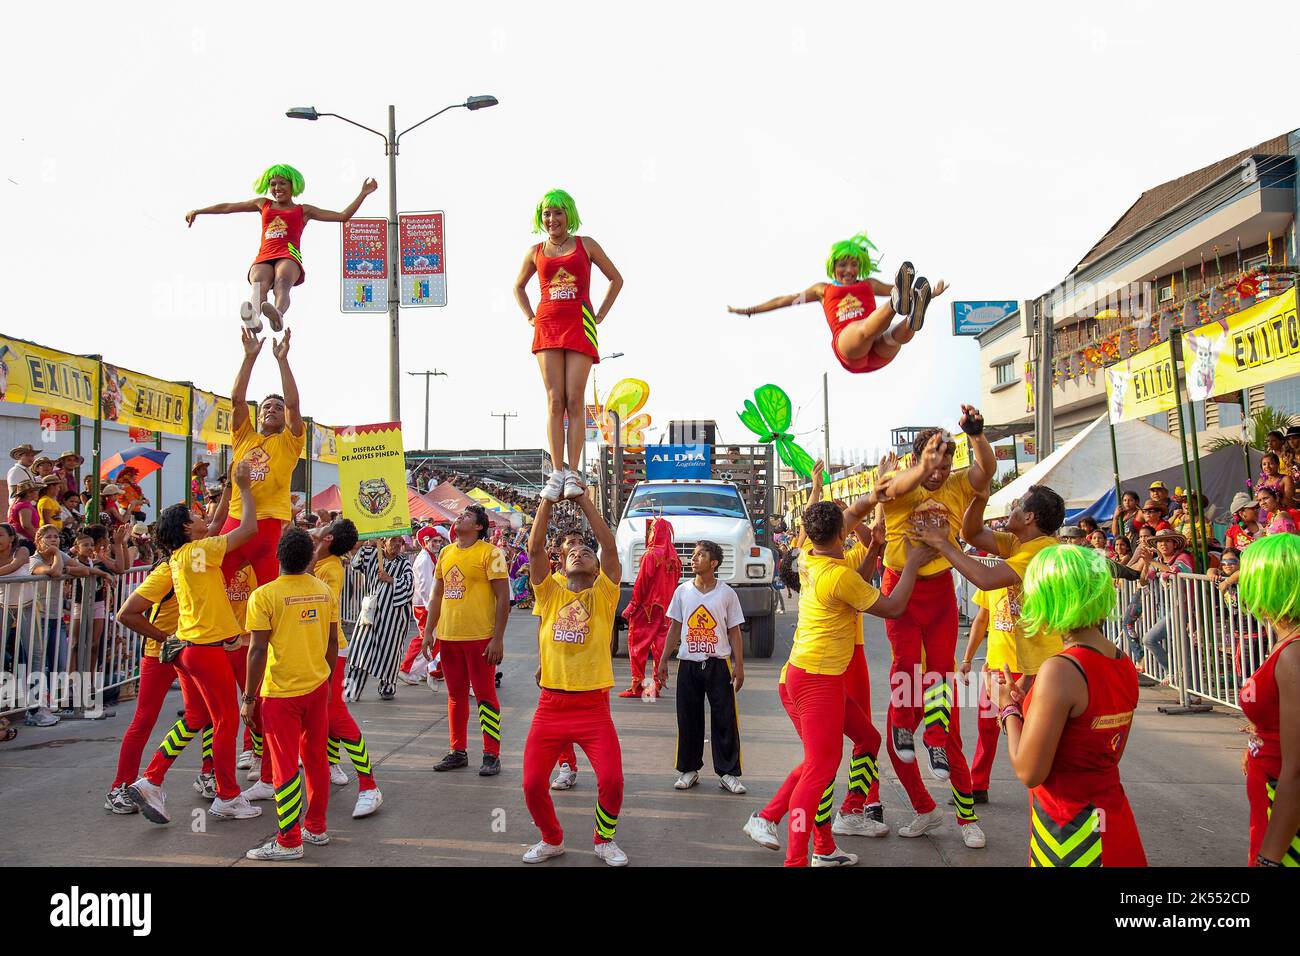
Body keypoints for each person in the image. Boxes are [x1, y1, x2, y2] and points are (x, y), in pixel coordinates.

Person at [763, 500, 934, 866]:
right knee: (819, 770)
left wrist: (874, 546)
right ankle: (797, 857)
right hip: (816, 679)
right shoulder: (836, 575)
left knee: (868, 739)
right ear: (841, 533)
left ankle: (821, 835)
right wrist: (913, 565)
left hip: (815, 674)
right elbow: (893, 607)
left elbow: (856, 581)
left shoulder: (810, 557)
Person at [878, 407, 995, 842]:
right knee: (906, 666)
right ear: (917, 460)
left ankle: (966, 818)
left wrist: (977, 436)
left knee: (941, 674)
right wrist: (922, 465)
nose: (939, 472)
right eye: (932, 464)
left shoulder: (957, 484)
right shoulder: (900, 485)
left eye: (946, 465)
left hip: (940, 591)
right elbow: (895, 485)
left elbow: (986, 470)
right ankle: (923, 806)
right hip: (902, 591)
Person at [126, 462, 263, 825]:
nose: (203, 515)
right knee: (225, 721)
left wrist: (230, 492)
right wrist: (245, 488)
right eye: (195, 514)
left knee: (199, 717)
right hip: (205, 650)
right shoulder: (198, 553)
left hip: (188, 649)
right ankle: (228, 797)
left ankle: (151, 779)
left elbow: (215, 527)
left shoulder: (185, 555)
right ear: (187, 528)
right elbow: (248, 529)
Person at [996, 544, 1147, 866]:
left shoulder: (1061, 668)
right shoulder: (1121, 662)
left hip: (1070, 831)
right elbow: (1102, 748)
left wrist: (1007, 710)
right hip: (1113, 822)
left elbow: (1029, 771)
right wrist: (1031, 709)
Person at [520, 492, 628, 866]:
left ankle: (604, 839)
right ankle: (552, 839)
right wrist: (547, 501)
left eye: (586, 551)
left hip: (593, 707)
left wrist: (583, 501)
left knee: (612, 782)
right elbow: (535, 550)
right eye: (570, 553)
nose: (578, 552)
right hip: (550, 706)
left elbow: (610, 545)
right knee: (533, 786)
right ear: (561, 567)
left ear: (598, 568)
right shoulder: (550, 592)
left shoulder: (604, 595)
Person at [942, 485, 1067, 802]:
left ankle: (1053, 802)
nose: (1010, 508)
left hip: (1037, 666)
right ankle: (979, 784)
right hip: (1002, 662)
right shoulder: (1016, 544)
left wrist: (943, 545)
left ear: (1029, 517)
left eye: (1016, 505)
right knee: (992, 726)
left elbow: (982, 578)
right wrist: (979, 495)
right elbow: (972, 533)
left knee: (1034, 739)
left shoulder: (1040, 554)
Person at [512, 188, 624, 502]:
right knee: (553, 400)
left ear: (568, 215)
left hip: (580, 324)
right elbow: (518, 287)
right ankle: (557, 472)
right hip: (548, 325)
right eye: (547, 213)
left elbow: (616, 278)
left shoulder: (586, 245)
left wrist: (600, 312)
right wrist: (530, 317)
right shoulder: (535, 251)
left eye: (558, 213)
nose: (552, 219)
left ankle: (574, 472)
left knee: (575, 400)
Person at [241, 526, 340, 861]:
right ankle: (316, 827)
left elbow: (256, 652)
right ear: (310, 556)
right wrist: (326, 682)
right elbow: (331, 643)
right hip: (315, 688)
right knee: (316, 762)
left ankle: (288, 841)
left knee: (285, 767)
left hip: (280, 692)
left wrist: (248, 697)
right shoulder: (324, 591)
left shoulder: (264, 595)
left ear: (278, 557)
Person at [186, 165, 377, 331]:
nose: (277, 188)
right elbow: (228, 207)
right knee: (258, 283)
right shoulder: (263, 204)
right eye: (273, 184)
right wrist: (199, 211)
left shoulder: (303, 210)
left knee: (282, 282)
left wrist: (363, 194)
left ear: (292, 185)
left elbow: (342, 216)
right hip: (265, 255)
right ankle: (254, 319)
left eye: (282, 183)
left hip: (288, 255)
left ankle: (277, 314)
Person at [727, 233, 946, 376]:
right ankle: (894, 304)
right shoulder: (822, 291)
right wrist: (750, 311)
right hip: (850, 348)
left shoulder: (869, 284)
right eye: (843, 265)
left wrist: (926, 295)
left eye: (854, 265)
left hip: (879, 355)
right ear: (833, 267)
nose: (849, 270)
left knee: (891, 336)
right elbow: (785, 300)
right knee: (863, 330)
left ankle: (911, 319)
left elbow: (902, 289)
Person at [423, 505, 507, 773]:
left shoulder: (491, 553)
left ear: (479, 527)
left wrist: (498, 638)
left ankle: (491, 754)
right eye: (460, 515)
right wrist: (428, 631)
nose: (460, 518)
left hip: (480, 637)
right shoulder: (446, 552)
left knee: (485, 695)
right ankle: (457, 750)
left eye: (467, 516)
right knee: (456, 696)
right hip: (449, 637)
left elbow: (503, 597)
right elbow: (437, 595)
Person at [309, 518, 383, 818]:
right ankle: (326, 765)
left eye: (324, 530)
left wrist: (314, 545)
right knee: (317, 716)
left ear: (328, 540)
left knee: (335, 713)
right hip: (306, 648)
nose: (316, 530)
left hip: (329, 649)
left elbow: (300, 579)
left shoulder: (330, 570)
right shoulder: (323, 560)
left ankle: (369, 785)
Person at [1233, 533, 1300, 865]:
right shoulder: (1287, 642)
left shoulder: (1294, 653)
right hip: (1270, 799)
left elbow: (1298, 769)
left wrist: (1270, 858)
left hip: (1284, 812)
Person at [222, 327, 305, 589]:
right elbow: (237, 400)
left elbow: (293, 404)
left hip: (268, 529)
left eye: (277, 408)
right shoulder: (243, 437)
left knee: (266, 595)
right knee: (215, 587)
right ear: (258, 416)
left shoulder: (290, 442)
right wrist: (249, 357)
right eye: (267, 407)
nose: (272, 410)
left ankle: (258, 632)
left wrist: (282, 360)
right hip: (235, 520)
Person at [662, 540, 746, 793]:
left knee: (725, 720)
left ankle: (728, 773)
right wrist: (663, 660)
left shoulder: (727, 594)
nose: (694, 559)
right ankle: (688, 770)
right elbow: (675, 628)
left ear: (714, 563)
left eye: (701, 555)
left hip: (717, 665)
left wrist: (738, 666)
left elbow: (734, 632)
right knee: (688, 719)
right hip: (688, 664)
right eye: (694, 555)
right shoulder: (683, 592)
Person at [344, 534, 415, 702]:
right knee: (361, 651)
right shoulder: (371, 554)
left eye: (400, 541)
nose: (397, 544)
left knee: (390, 653)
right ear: (383, 541)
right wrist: (366, 535)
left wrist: (390, 579)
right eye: (394, 540)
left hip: (394, 619)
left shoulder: (404, 564)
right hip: (370, 614)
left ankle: (387, 686)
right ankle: (352, 689)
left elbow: (409, 587)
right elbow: (354, 558)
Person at [619, 516, 680, 699]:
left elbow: (641, 584)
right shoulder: (674, 557)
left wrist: (633, 605)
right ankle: (656, 685)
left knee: (637, 644)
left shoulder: (651, 554)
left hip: (647, 608)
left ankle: (637, 686)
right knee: (660, 646)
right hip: (665, 608)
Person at [1130, 530, 1193, 677]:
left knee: (1149, 639)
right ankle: (1188, 687)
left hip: (1180, 608)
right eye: (1160, 542)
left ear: (1174, 543)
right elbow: (1144, 581)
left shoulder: (1183, 557)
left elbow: (1175, 571)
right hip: (1164, 608)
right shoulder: (1158, 561)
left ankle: (1174, 674)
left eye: (1167, 541)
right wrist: (1146, 564)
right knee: (1181, 647)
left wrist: (1151, 562)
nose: (1163, 544)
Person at [398, 525, 440, 685]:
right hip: (424, 605)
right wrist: (431, 607)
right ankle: (407, 669)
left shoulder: (429, 557)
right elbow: (425, 586)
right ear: (425, 542)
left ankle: (421, 669)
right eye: (434, 541)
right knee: (425, 638)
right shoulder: (424, 559)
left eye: (439, 541)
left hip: (426, 604)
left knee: (431, 638)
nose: (438, 544)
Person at [7, 481, 40, 552]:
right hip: (26, 542)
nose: (38, 492)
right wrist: (39, 539)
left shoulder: (18, 504)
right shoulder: (24, 505)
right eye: (36, 490)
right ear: (28, 493)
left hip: (22, 540)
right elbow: (26, 525)